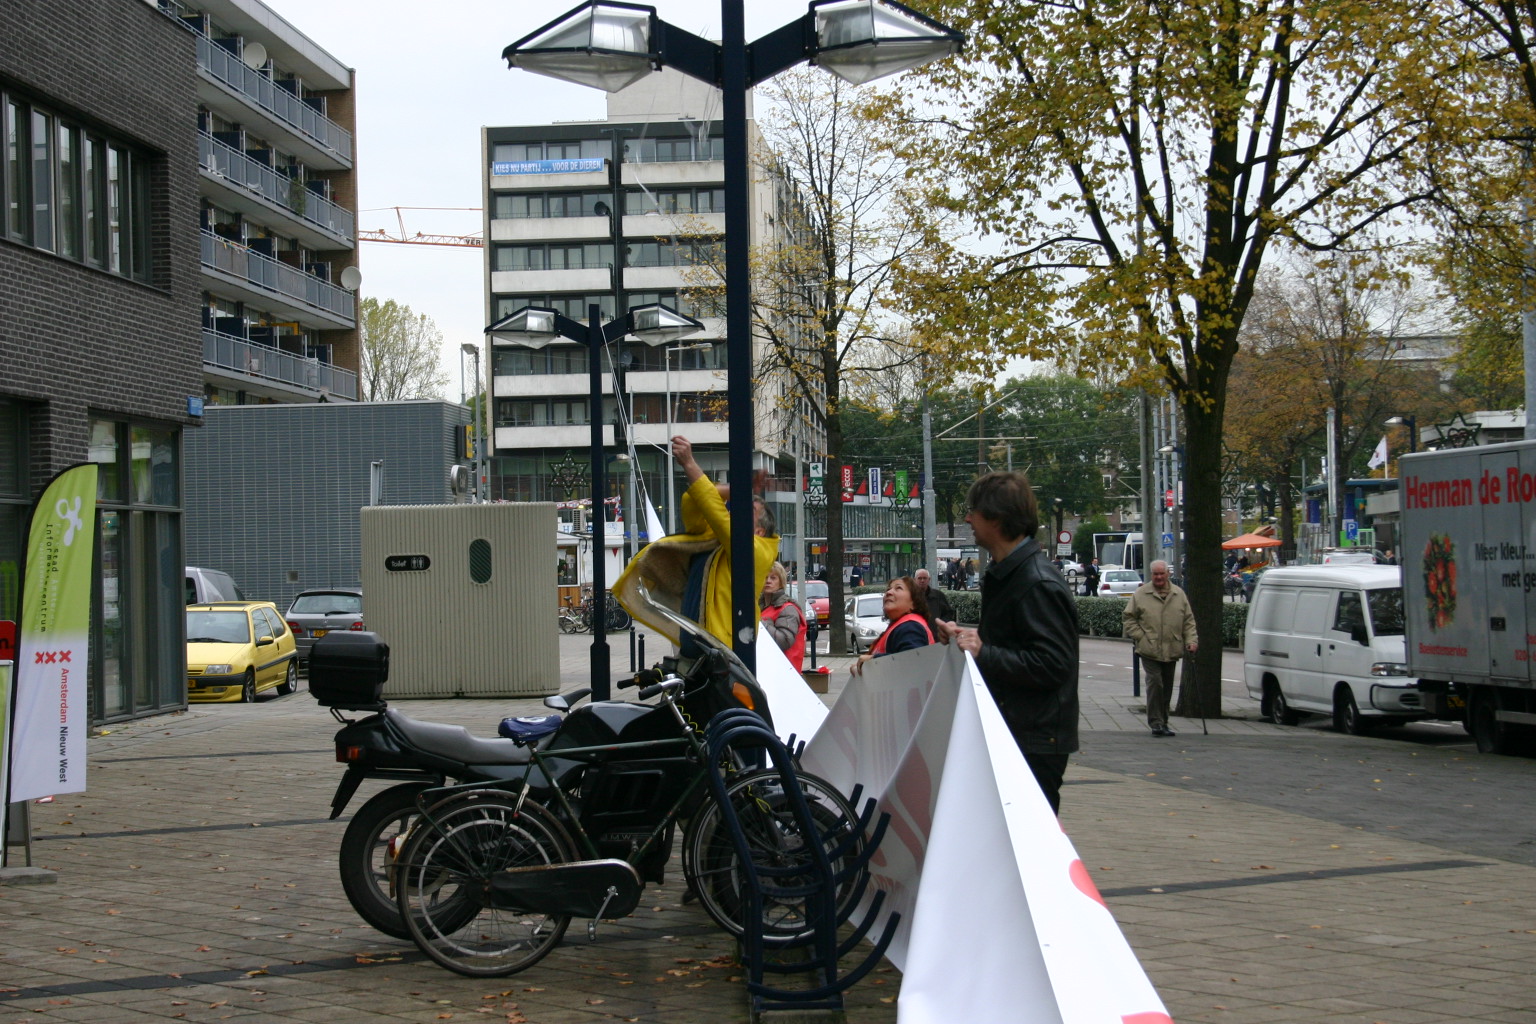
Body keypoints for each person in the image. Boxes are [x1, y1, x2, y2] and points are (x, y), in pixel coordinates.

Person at [939, 472, 1079, 814]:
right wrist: (967, 640)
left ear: (997, 519)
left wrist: (982, 651)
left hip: (1032, 741)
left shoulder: (1035, 582)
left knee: (1028, 839)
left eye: (973, 511)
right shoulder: (1011, 574)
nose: (967, 519)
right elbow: (1013, 643)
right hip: (1018, 733)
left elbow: (1053, 665)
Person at [611, 436, 779, 650]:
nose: (738, 508)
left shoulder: (759, 551)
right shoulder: (717, 539)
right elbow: (694, 502)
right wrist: (736, 490)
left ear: (759, 531)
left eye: (749, 509)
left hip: (724, 649)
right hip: (699, 645)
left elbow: (713, 509)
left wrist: (689, 463)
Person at [1121, 559, 1198, 738]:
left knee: (1167, 686)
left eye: (1161, 574)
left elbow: (1188, 621)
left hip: (1171, 648)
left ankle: (1164, 721)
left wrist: (1191, 640)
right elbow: (1128, 618)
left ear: (1167, 574)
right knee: (1155, 682)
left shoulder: (1179, 594)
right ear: (1151, 575)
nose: (1158, 577)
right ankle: (1156, 723)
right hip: (1149, 648)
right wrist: (1140, 637)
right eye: (1155, 574)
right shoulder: (1141, 594)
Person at [851, 576, 935, 676]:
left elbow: (912, 662)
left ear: (914, 603)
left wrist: (873, 660)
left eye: (898, 588)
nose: (889, 592)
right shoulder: (902, 626)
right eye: (888, 589)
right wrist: (864, 667)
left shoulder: (910, 627)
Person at [759, 561, 806, 671]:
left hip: (782, 672)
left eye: (773, 578)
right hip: (768, 669)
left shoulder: (787, 609)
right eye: (765, 577)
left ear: (781, 582)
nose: (768, 581)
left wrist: (761, 623)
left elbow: (784, 641)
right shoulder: (760, 607)